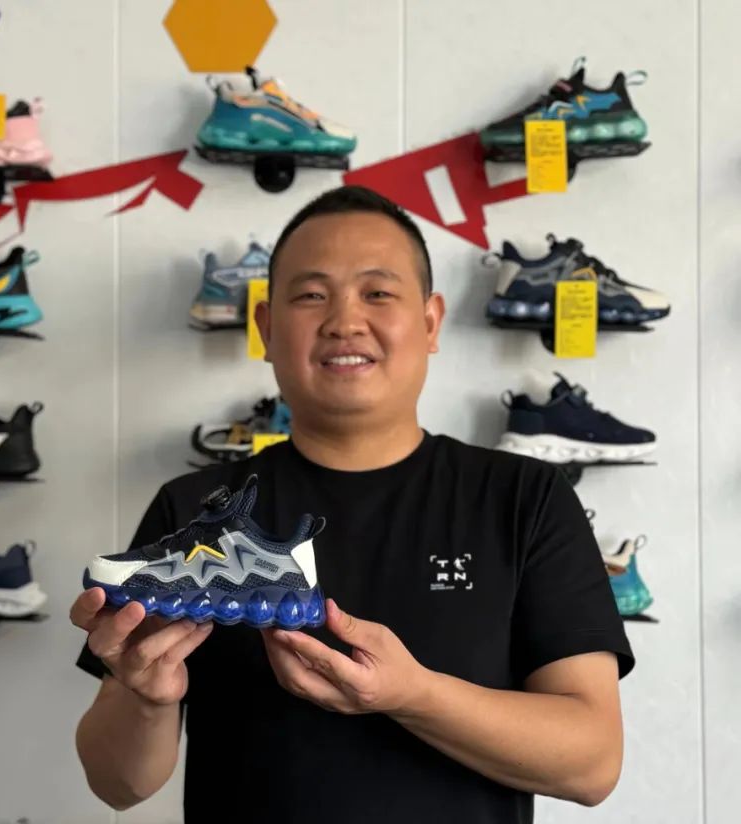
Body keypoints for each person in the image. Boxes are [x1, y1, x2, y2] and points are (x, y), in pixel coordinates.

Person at [71, 185, 633, 823]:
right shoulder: (192, 505)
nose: (344, 320)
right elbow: (117, 786)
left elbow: (592, 765)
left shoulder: (526, 498)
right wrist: (147, 699)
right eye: (311, 295)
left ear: (430, 323)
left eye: (378, 293)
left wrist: (412, 695)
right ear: (265, 328)